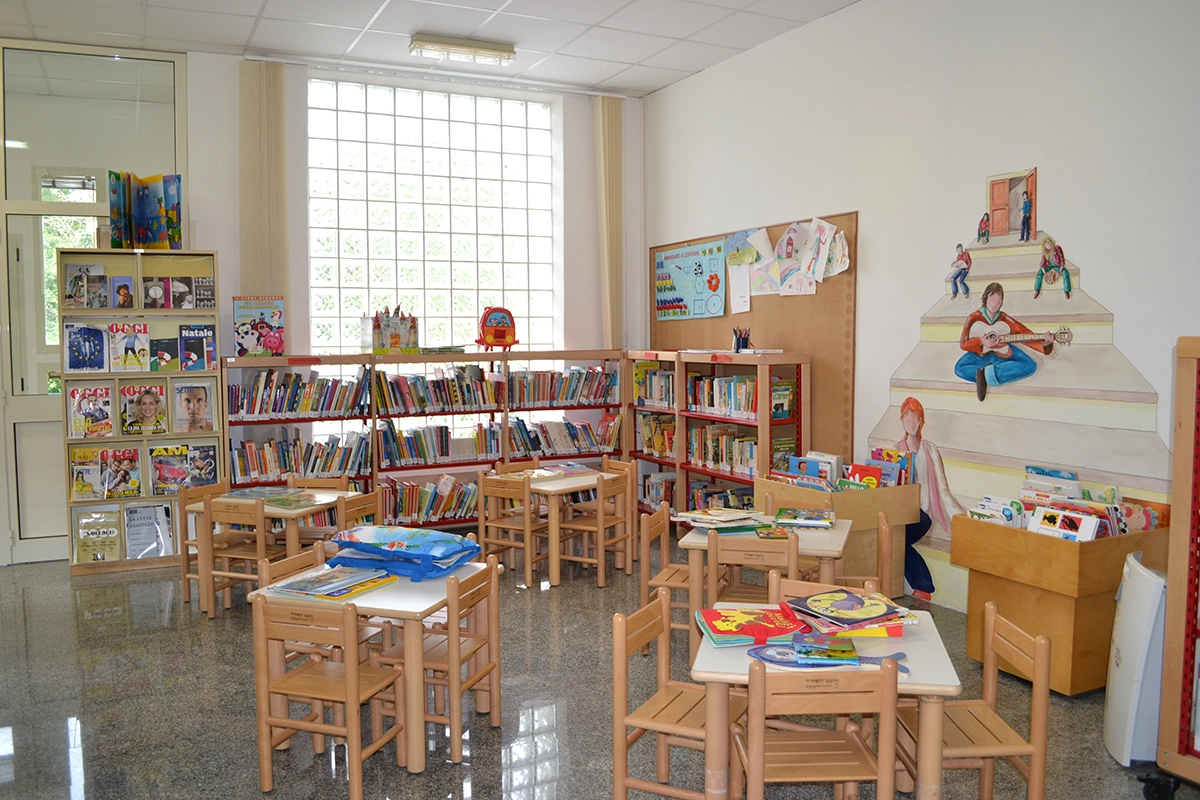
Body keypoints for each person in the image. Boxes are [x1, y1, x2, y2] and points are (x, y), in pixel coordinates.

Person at [895, 396, 965, 601]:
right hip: (901, 509)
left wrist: (961, 518)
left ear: (921, 421)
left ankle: (922, 585)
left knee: (897, 541)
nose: (910, 421)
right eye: (906, 416)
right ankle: (923, 588)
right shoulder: (896, 448)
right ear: (901, 420)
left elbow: (943, 489)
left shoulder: (930, 449)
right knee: (897, 540)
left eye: (915, 416)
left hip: (923, 511)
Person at [954, 282, 1055, 401]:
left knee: (1030, 365)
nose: (995, 304)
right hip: (980, 354)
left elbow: (1024, 334)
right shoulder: (974, 317)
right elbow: (964, 343)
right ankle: (992, 373)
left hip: (1002, 353)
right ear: (986, 298)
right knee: (959, 368)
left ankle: (983, 374)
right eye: (992, 300)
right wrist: (981, 342)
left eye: (998, 301)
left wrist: (1045, 344)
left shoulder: (1004, 318)